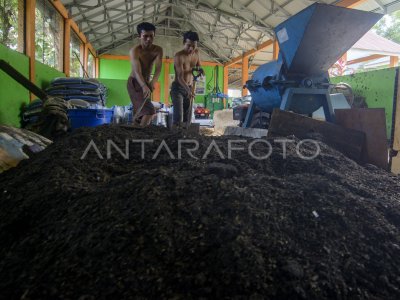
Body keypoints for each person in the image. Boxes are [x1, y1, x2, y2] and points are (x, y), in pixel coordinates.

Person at [127, 22, 163, 127]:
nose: (148, 39)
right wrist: (144, 86)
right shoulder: (135, 51)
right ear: (139, 36)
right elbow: (137, 71)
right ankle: (141, 133)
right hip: (134, 83)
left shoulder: (158, 50)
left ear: (154, 35)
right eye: (145, 36)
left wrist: (152, 83)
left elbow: (158, 69)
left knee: (139, 113)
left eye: (151, 36)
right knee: (149, 110)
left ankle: (134, 134)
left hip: (146, 83)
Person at [170, 31, 204, 128]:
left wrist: (201, 71)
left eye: (194, 46)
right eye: (188, 45)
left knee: (187, 117)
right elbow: (180, 77)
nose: (191, 48)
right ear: (184, 43)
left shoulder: (196, 53)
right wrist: (188, 90)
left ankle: (185, 137)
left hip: (189, 88)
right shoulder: (179, 56)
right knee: (178, 117)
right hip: (178, 89)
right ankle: (174, 138)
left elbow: (199, 67)